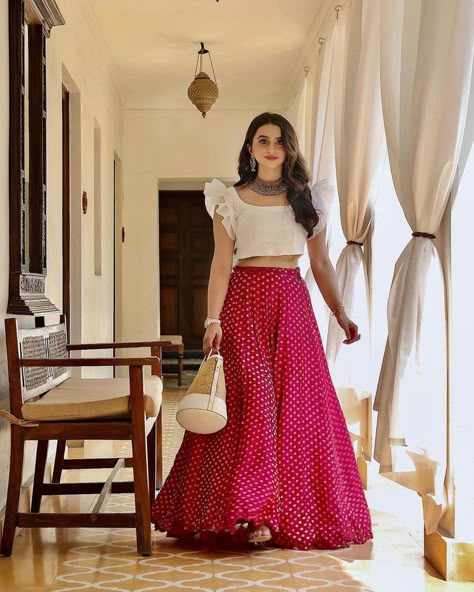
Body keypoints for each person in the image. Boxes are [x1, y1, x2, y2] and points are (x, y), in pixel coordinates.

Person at [151, 112, 373, 550]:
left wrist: (341, 312)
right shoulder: (228, 199)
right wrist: (212, 320)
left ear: (289, 149)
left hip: (292, 305)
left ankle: (280, 513)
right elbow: (220, 263)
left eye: (279, 140)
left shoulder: (308, 200)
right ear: (250, 148)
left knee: (297, 410)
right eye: (262, 139)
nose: (271, 147)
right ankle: (250, 513)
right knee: (250, 405)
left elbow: (322, 263)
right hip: (244, 303)